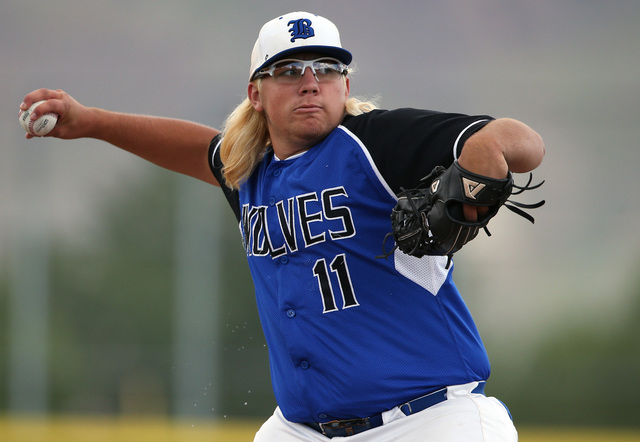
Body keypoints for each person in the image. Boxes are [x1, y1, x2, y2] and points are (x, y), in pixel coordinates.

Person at [19, 11, 544, 441]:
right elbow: (196, 149)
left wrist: (480, 168)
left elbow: (519, 141)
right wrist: (90, 123)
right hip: (301, 430)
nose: (311, 82)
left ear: (344, 84)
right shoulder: (250, 172)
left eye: (328, 68)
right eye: (290, 70)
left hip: (429, 421)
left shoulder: (374, 143)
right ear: (256, 92)